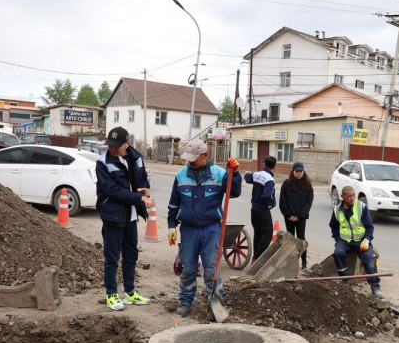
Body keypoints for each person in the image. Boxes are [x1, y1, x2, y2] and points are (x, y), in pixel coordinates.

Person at [167, 139, 241, 320]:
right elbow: (173, 204)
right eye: (188, 158)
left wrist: (236, 173)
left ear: (205, 156)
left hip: (211, 229)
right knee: (188, 268)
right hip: (189, 230)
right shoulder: (181, 175)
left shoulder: (219, 174)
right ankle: (185, 303)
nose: (190, 161)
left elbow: (234, 192)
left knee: (211, 269)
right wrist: (171, 226)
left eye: (194, 158)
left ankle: (213, 304)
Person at [96, 127, 154, 311]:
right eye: (109, 145)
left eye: (115, 146)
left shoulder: (136, 158)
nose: (111, 149)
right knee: (112, 258)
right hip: (113, 215)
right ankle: (111, 295)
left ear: (126, 144)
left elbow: (142, 178)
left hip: (131, 215)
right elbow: (111, 190)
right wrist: (139, 198)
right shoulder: (103, 162)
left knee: (131, 255)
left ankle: (129, 292)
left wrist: (143, 189)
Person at [329, 186, 385, 299]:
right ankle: (345, 280)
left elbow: (369, 227)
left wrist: (367, 239)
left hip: (361, 241)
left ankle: (375, 288)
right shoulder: (337, 210)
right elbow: (333, 226)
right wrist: (338, 239)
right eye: (349, 196)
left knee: (369, 260)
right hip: (345, 241)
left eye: (353, 195)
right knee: (338, 253)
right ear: (342, 197)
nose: (352, 198)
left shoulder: (361, 207)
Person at [279, 162, 314, 269]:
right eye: (297, 171)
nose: (299, 174)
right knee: (290, 239)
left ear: (303, 172)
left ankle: (304, 261)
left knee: (301, 239)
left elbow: (309, 202)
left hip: (301, 217)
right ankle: (290, 261)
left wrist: (299, 216)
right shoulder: (286, 184)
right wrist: (289, 215)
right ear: (293, 172)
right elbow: (282, 201)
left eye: (301, 172)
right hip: (289, 217)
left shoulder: (307, 185)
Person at [244, 155, 277, 262]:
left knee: (258, 233)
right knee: (268, 234)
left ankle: (255, 257)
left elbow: (248, 178)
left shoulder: (257, 174)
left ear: (264, 165)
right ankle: (258, 257)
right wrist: (272, 203)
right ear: (274, 167)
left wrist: (246, 174)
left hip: (254, 209)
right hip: (263, 209)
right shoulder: (270, 179)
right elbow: (267, 195)